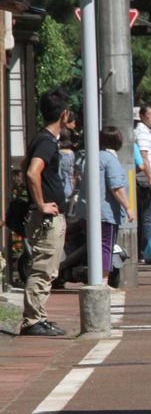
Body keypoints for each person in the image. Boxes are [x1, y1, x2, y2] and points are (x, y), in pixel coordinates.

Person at [19, 88, 71, 336]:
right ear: (64, 114)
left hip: (46, 217)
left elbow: (24, 168)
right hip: (47, 218)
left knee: (46, 268)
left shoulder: (41, 139)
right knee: (43, 269)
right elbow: (31, 172)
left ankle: (38, 316)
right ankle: (32, 320)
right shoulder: (47, 142)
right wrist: (41, 204)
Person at [76, 127, 135, 285]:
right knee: (105, 246)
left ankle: (97, 279)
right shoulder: (110, 159)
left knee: (95, 246)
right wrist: (128, 207)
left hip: (86, 211)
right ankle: (103, 280)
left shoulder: (88, 157)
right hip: (105, 212)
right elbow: (116, 187)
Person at [135, 104, 151, 260]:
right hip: (147, 181)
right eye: (149, 114)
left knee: (148, 217)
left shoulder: (146, 131)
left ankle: (147, 250)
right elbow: (144, 156)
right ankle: (149, 252)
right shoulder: (142, 132)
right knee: (149, 218)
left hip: (147, 180)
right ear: (142, 116)